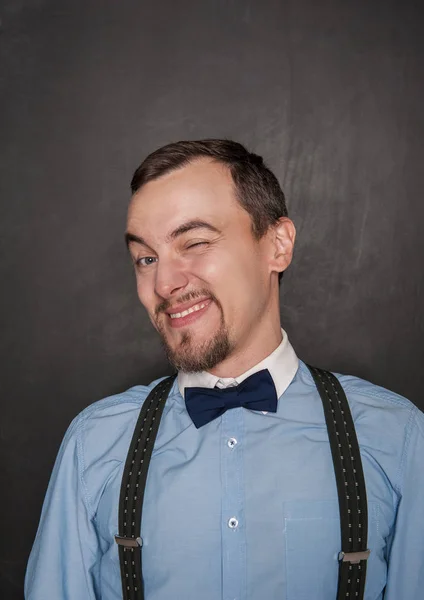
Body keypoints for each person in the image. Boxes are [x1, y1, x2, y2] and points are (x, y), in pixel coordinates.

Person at [25, 139, 424, 600]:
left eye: (193, 243)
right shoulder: (92, 444)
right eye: (146, 258)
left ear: (278, 245)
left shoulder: (397, 439)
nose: (164, 283)